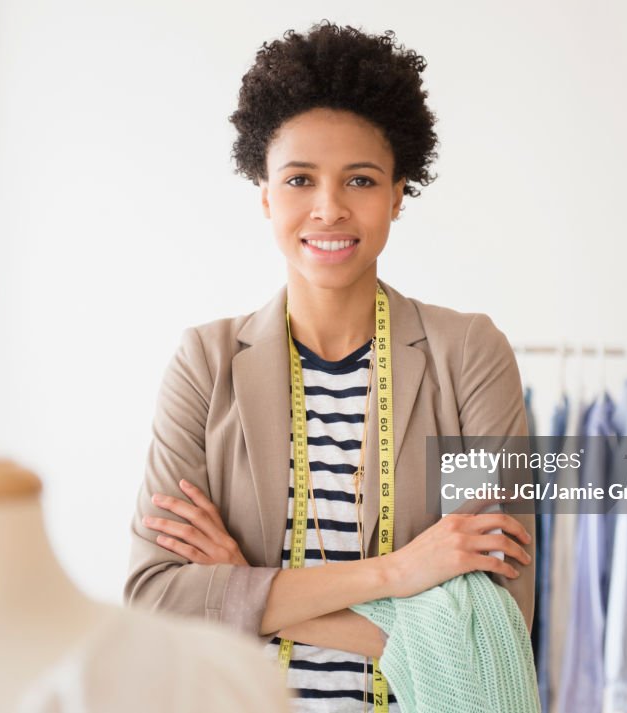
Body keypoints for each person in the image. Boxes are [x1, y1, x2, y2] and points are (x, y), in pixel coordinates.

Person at [124, 20, 535, 712]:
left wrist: (243, 588)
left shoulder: (471, 357)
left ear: (398, 194)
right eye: (299, 179)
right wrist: (406, 571)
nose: (329, 207)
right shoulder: (205, 363)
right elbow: (156, 598)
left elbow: (493, 633)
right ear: (265, 195)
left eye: (361, 179)